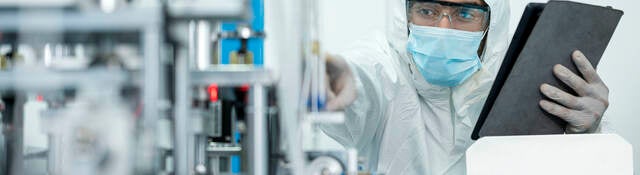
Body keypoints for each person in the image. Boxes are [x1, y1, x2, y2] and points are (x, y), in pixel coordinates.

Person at [321, 0, 611, 174]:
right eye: (428, 10)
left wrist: (586, 138)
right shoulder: (384, 65)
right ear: (405, 14)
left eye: (465, 14)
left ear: (491, 23)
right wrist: (335, 80)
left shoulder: (524, 81)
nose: (443, 29)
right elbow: (362, 77)